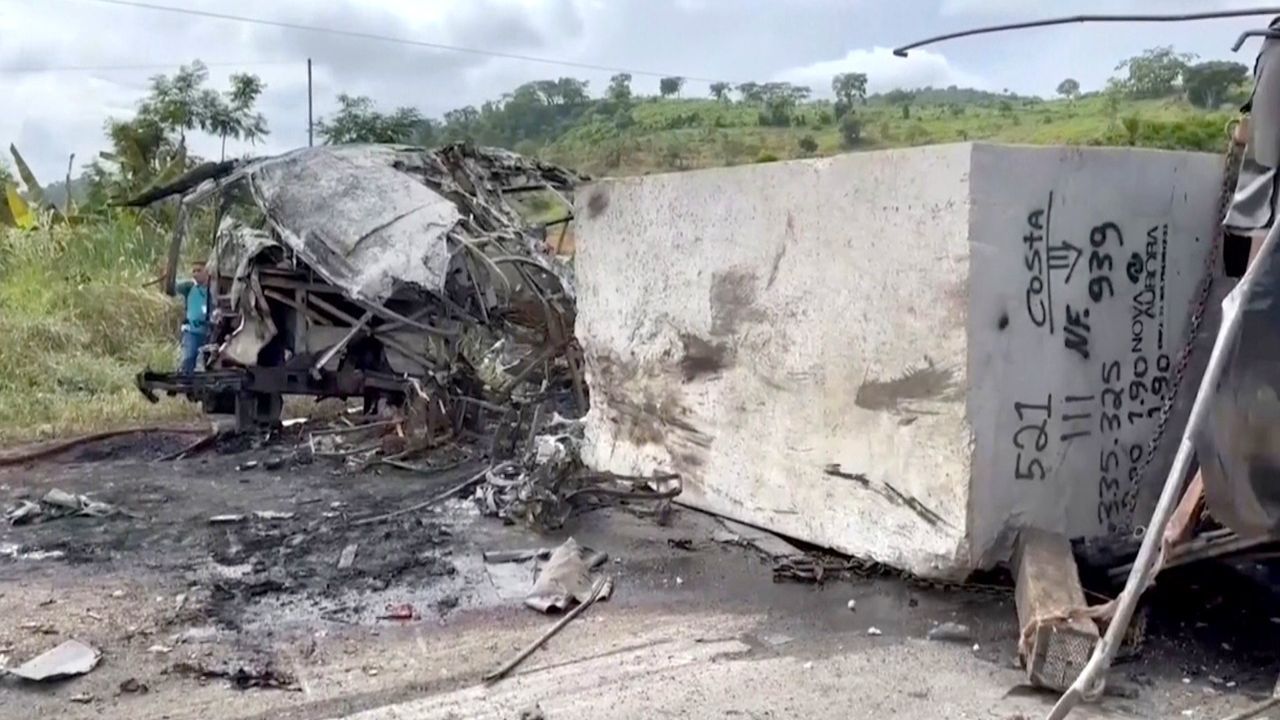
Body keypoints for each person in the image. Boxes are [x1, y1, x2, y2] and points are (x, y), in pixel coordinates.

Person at [171, 261, 211, 374]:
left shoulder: (214, 289)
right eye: (194, 271)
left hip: (210, 333)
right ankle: (185, 384)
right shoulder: (189, 287)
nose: (195, 274)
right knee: (188, 359)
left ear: (207, 272)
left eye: (199, 270)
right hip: (192, 332)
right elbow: (171, 287)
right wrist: (169, 274)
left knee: (208, 365)